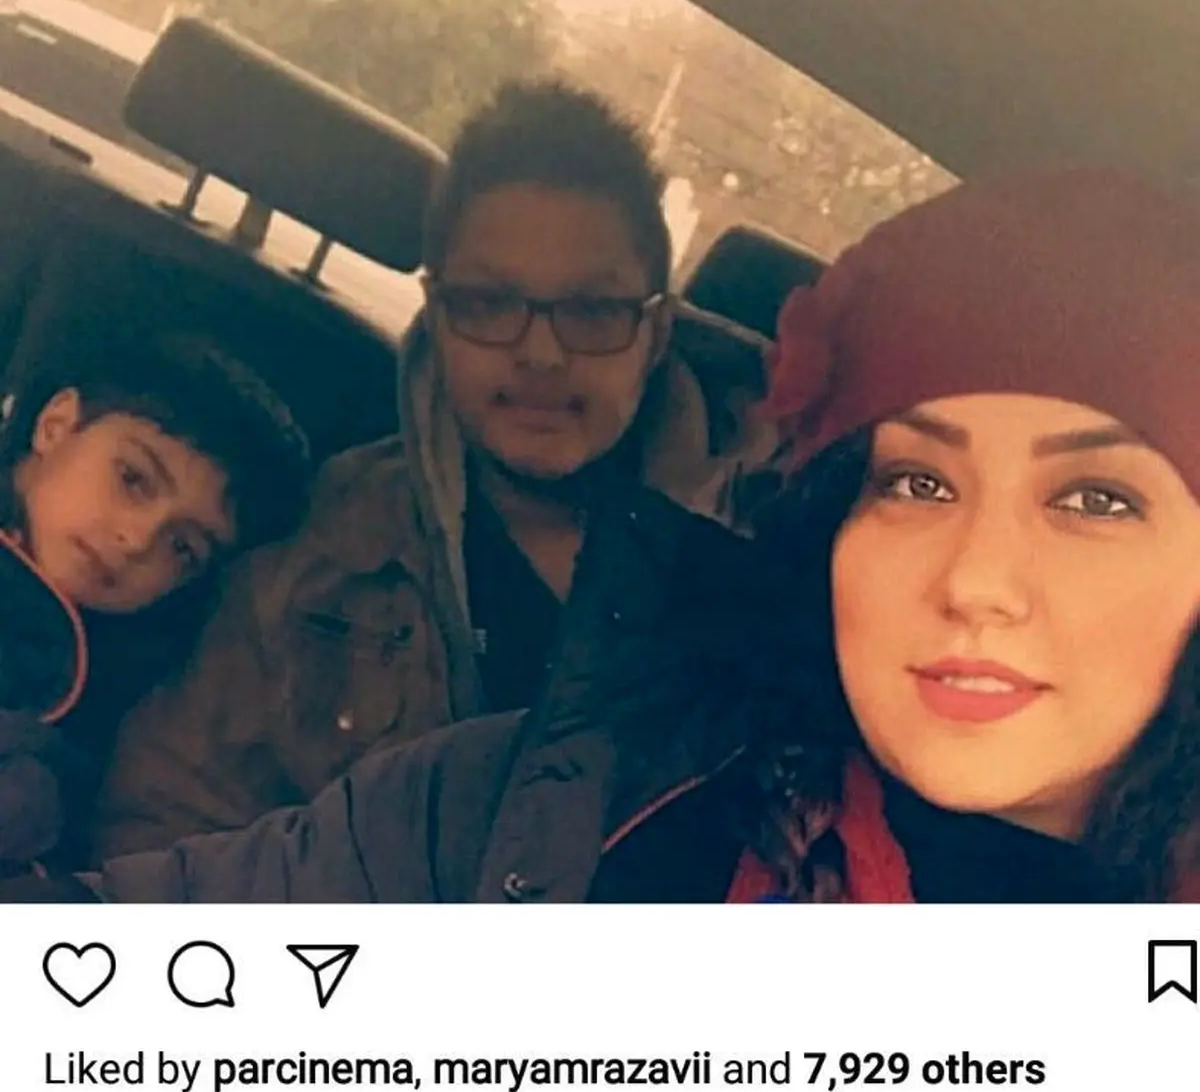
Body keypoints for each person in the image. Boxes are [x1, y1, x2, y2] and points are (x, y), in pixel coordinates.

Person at [15, 164, 1200, 908]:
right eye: (917, 482)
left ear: (657, 325)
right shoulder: (535, 791)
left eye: (1097, 499)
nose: (978, 577)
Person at [93, 80, 775, 858]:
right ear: (437, 311)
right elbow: (163, 818)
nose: (541, 353)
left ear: (656, 331)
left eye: (592, 311)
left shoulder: (775, 563)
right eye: (488, 302)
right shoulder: (333, 541)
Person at [0, 335, 309, 867]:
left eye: (182, 547)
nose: (138, 540)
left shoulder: (138, 706)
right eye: (133, 480)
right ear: (56, 425)